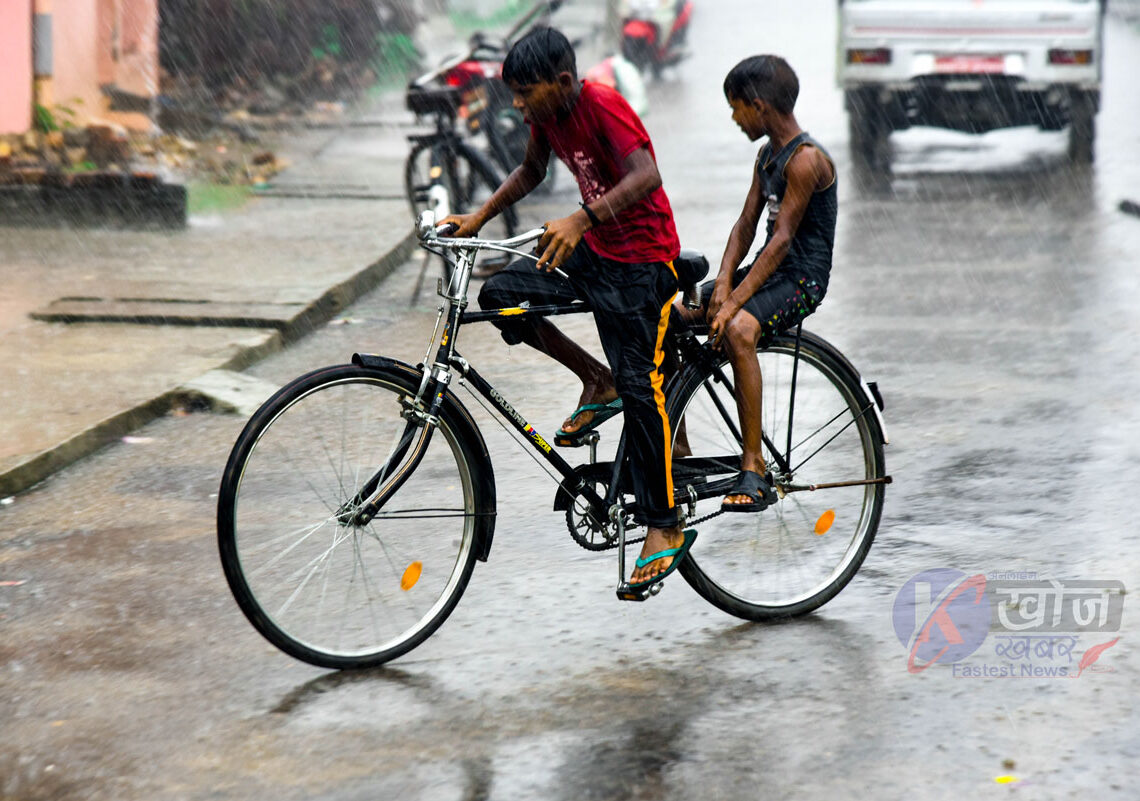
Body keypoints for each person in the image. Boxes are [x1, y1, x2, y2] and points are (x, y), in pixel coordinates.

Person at [439, 26, 692, 589]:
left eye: (527, 93)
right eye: (517, 95)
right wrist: (479, 217)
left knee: (640, 384)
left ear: (563, 81)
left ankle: (665, 523)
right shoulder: (547, 116)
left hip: (643, 263)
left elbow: (647, 174)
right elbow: (532, 171)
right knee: (502, 296)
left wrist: (581, 218)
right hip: (597, 252)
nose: (520, 104)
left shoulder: (602, 103)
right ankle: (592, 378)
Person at [677, 54, 837, 511]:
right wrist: (723, 282)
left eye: (736, 108)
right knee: (668, 316)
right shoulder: (766, 155)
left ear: (758, 104)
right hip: (767, 274)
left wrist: (731, 306)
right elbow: (746, 226)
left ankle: (754, 466)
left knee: (738, 329)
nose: (734, 118)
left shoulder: (806, 162)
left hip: (800, 280)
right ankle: (678, 448)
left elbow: (782, 240)